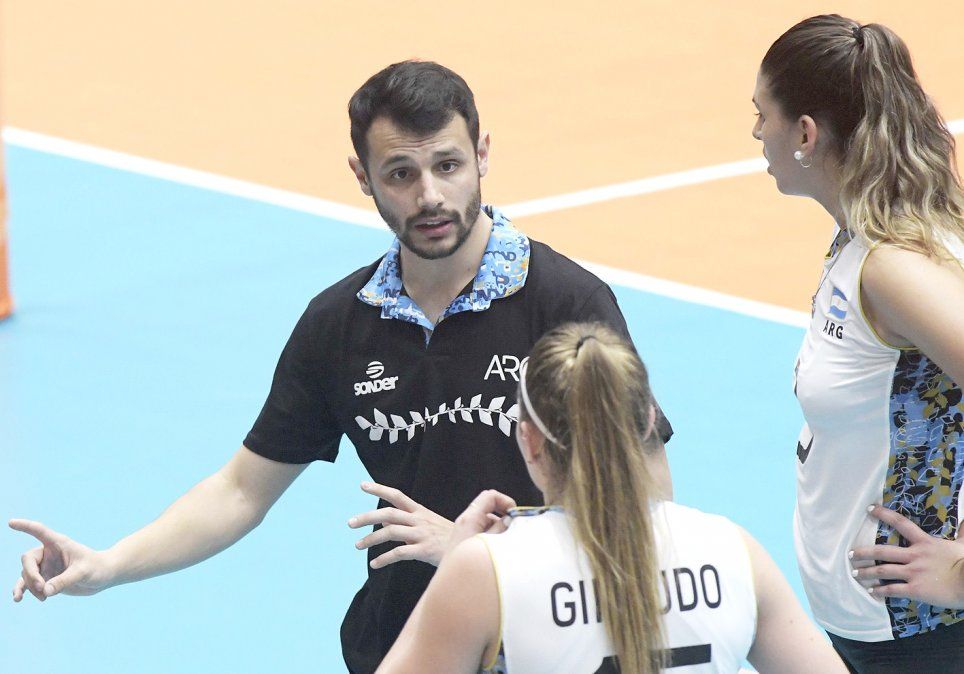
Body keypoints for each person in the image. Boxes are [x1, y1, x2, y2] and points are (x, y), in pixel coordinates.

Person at [8, 60, 672, 674]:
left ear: (483, 155)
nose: (430, 195)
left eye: (448, 165)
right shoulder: (340, 326)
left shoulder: (565, 304)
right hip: (403, 648)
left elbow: (650, 506)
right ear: (362, 176)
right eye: (401, 174)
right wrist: (109, 564)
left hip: (553, 648)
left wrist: (479, 555)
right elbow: (240, 491)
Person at [377, 322, 847, 674]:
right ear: (648, 421)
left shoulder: (485, 571)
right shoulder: (734, 551)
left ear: (529, 441)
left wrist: (453, 568)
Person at [751, 14, 964, 671]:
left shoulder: (892, 268)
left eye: (761, 114)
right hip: (876, 628)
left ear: (805, 133)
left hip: (922, 638)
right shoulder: (862, 238)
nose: (756, 133)